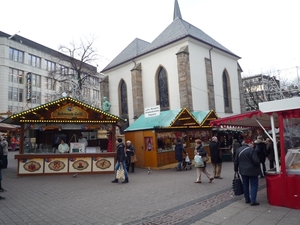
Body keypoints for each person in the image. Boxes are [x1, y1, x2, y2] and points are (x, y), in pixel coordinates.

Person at [234, 139, 260, 206]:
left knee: (245, 184)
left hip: (243, 170)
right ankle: (253, 200)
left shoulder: (238, 150)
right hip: (252, 170)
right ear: (249, 143)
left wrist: (236, 169)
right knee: (254, 185)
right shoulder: (251, 150)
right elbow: (256, 161)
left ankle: (247, 199)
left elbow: (236, 161)